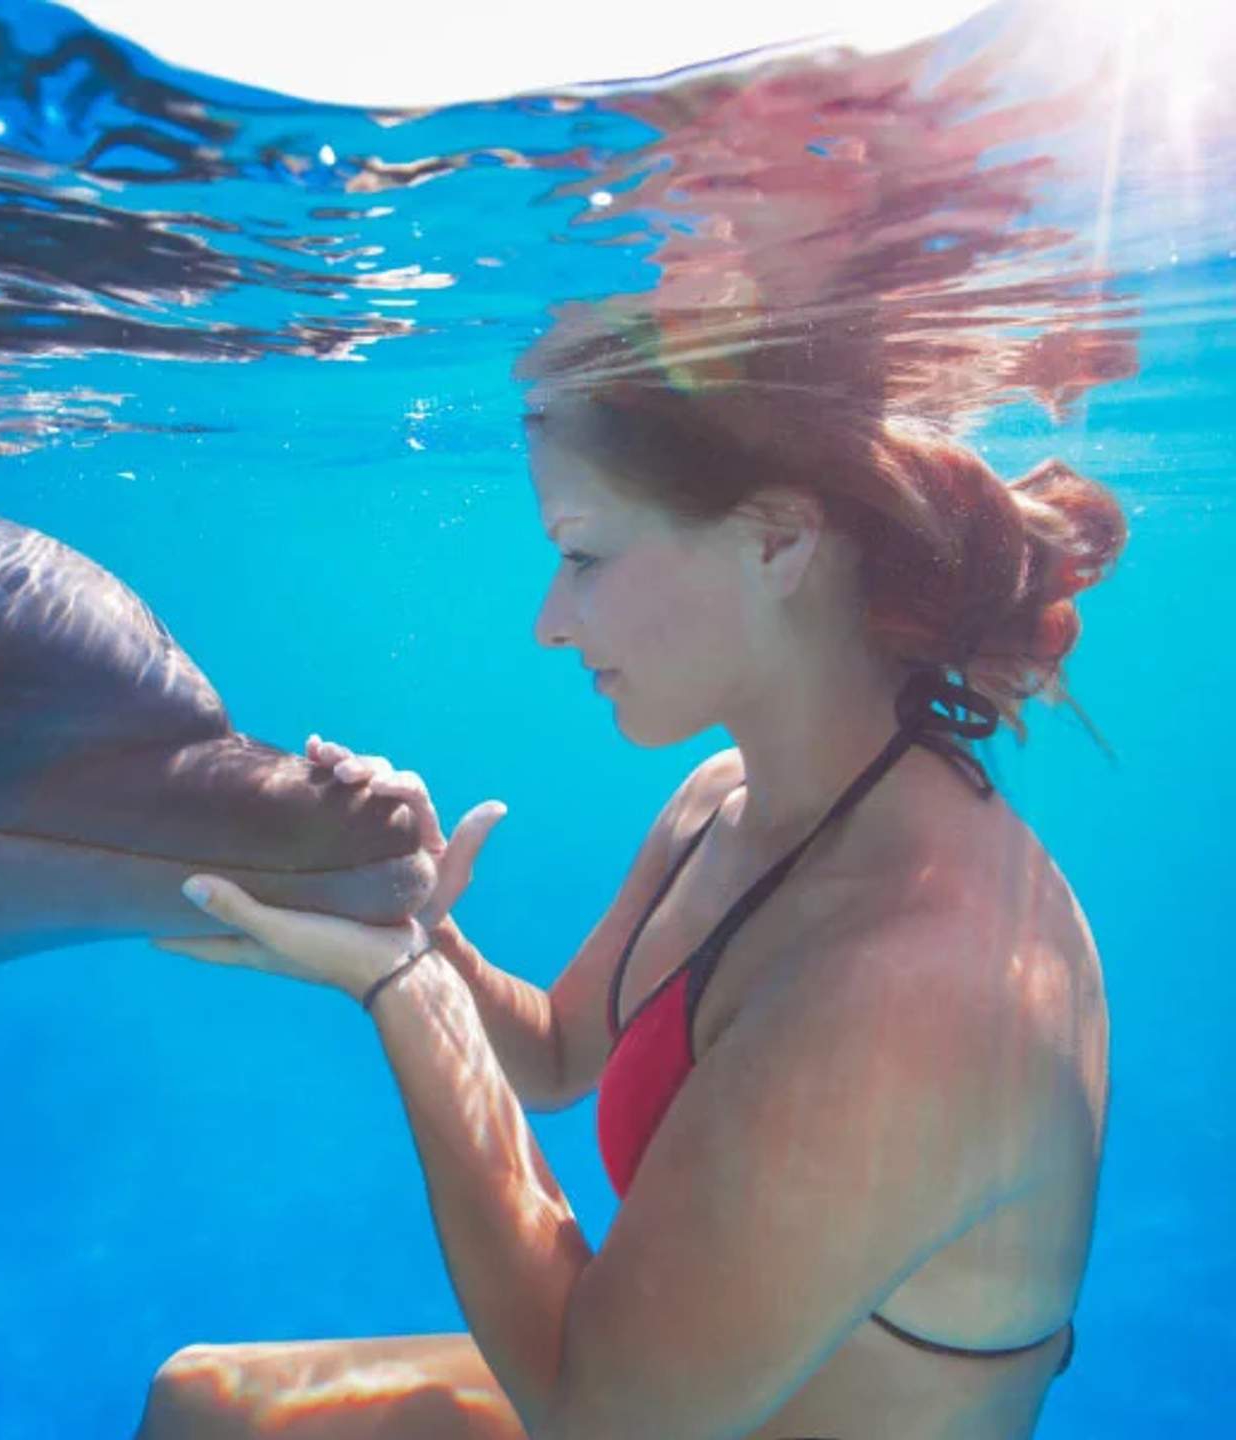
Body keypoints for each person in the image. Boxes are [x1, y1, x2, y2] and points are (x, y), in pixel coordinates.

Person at [135, 339, 1125, 1439]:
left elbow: (595, 1416)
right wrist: (426, 932)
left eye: (586, 555)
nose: (549, 620)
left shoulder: (920, 984)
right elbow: (560, 1051)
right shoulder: (727, 800)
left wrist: (405, 993)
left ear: (779, 542)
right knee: (201, 1401)